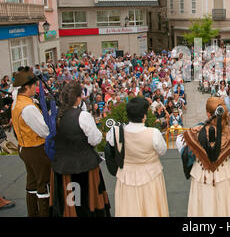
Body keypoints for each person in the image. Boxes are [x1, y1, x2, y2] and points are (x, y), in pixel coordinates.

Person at [49, 81, 110, 217]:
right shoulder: (83, 116)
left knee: (70, 204)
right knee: (86, 203)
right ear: (77, 98)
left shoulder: (55, 115)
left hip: (62, 165)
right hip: (84, 165)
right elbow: (95, 139)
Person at [176, 97, 230, 216]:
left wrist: (199, 152)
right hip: (224, 174)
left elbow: (179, 142)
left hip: (202, 175)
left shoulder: (195, 132)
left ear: (208, 114)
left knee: (204, 208)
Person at [106, 97, 169, 217]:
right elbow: (162, 151)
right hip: (151, 175)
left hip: (126, 176)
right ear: (144, 115)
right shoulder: (153, 133)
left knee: (129, 209)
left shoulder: (116, 132)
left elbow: (109, 144)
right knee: (152, 209)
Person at [11, 67, 51, 217]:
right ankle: (44, 214)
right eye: (34, 85)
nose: (35, 87)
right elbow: (44, 131)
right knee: (43, 183)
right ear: (26, 87)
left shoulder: (17, 101)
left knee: (32, 182)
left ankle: (32, 213)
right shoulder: (28, 108)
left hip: (24, 148)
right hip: (36, 150)